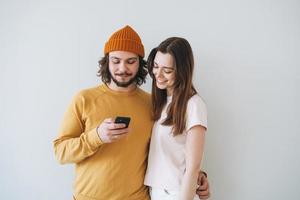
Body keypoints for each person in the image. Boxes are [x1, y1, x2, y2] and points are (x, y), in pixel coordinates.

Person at [53, 25, 210, 200]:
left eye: (130, 61)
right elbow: (61, 153)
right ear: (107, 61)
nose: (122, 68)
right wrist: (96, 136)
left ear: (140, 64)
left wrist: (195, 173)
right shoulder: (84, 99)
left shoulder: (153, 104)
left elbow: (167, 147)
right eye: (116, 60)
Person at [144, 37, 208, 200]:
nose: (158, 74)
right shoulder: (161, 102)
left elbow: (193, 167)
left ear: (182, 71)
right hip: (156, 191)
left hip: (177, 194)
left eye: (167, 70)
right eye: (156, 66)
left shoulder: (193, 105)